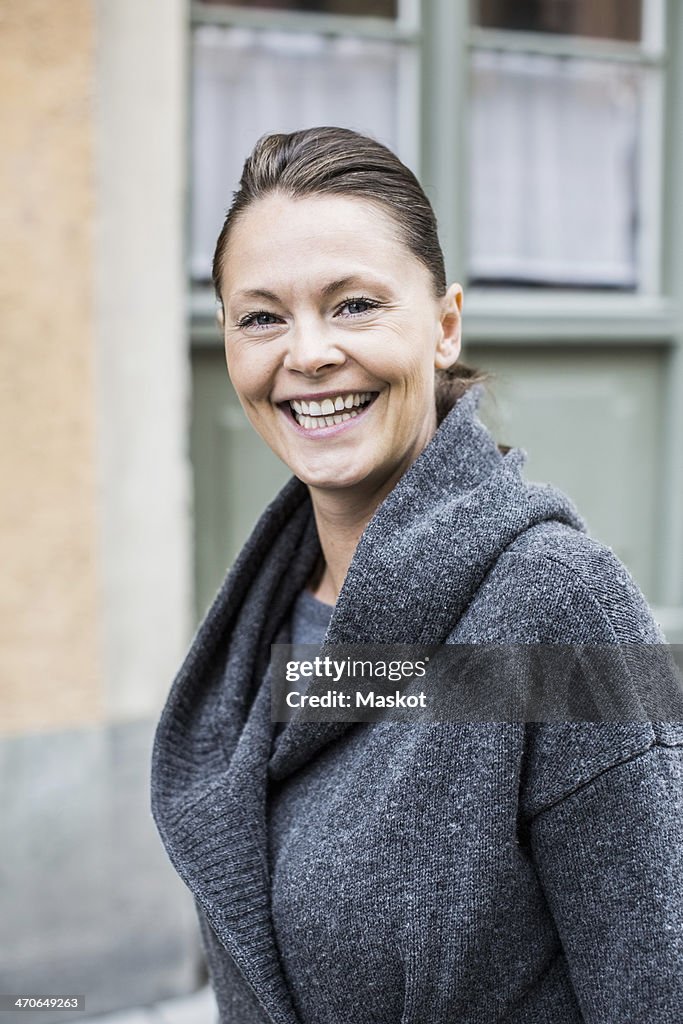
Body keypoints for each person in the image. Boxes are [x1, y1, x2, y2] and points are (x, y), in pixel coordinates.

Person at [151, 127, 683, 1023]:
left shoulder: (559, 607)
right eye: (262, 316)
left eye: (355, 305)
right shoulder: (270, 618)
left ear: (443, 327)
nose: (307, 352)